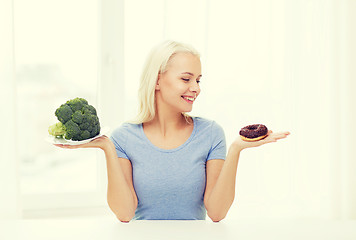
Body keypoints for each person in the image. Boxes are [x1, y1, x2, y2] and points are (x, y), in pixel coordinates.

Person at [55, 40, 290, 222]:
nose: (196, 88)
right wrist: (107, 147)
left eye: (198, 80)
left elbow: (217, 213)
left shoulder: (210, 134)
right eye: (186, 79)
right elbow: (125, 214)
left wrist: (237, 149)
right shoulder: (124, 138)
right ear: (157, 81)